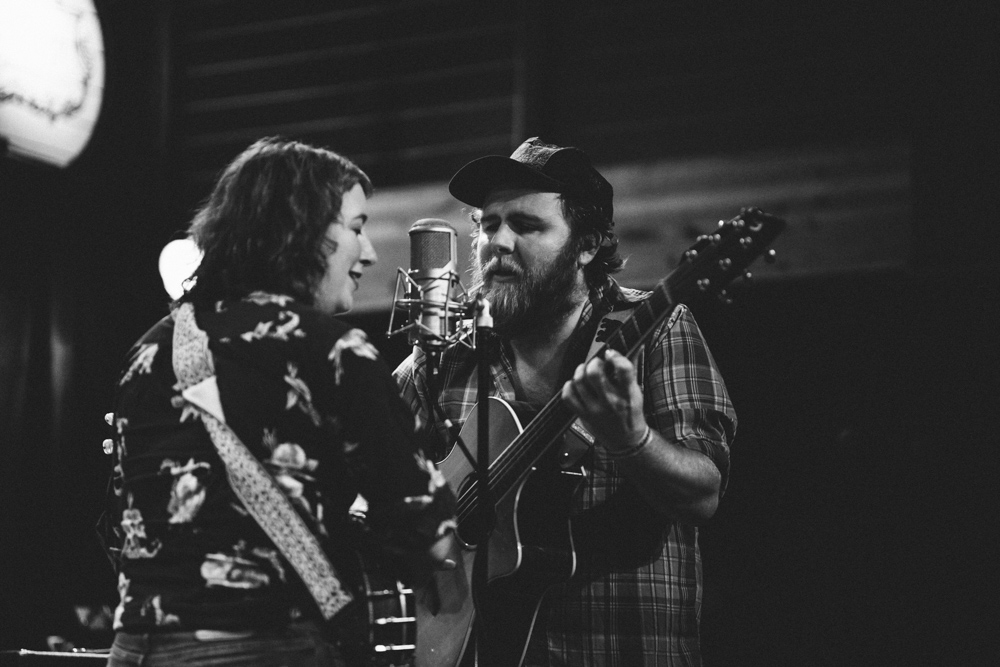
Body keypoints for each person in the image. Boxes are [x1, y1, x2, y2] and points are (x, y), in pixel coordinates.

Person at [102, 137, 456, 666]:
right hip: (265, 645)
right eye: (357, 228)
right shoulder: (333, 351)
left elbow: (121, 519)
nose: (371, 254)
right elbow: (423, 531)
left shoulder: (150, 349)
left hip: (135, 648)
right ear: (302, 229)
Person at [393, 137, 736, 666]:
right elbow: (373, 502)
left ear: (589, 244)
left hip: (619, 648)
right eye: (488, 225)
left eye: (526, 226)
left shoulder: (656, 331)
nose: (496, 242)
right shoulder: (444, 361)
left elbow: (702, 497)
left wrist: (633, 441)